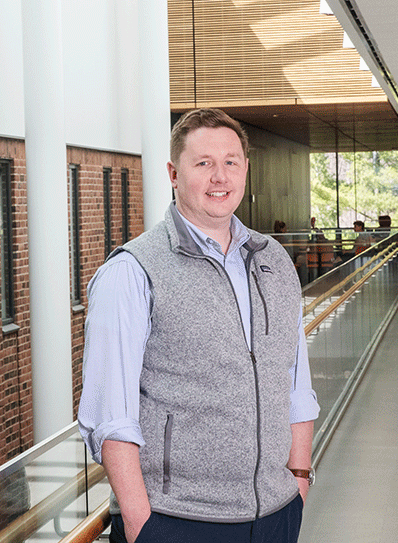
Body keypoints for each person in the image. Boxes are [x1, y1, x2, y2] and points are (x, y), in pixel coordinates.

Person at [78, 108, 320, 543]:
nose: (219, 177)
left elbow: (296, 385)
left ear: (246, 169)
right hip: (177, 522)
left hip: (277, 514)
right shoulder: (133, 271)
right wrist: (139, 523)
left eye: (230, 162)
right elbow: (109, 415)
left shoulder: (274, 261)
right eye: (203, 163)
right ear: (173, 173)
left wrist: (298, 481)